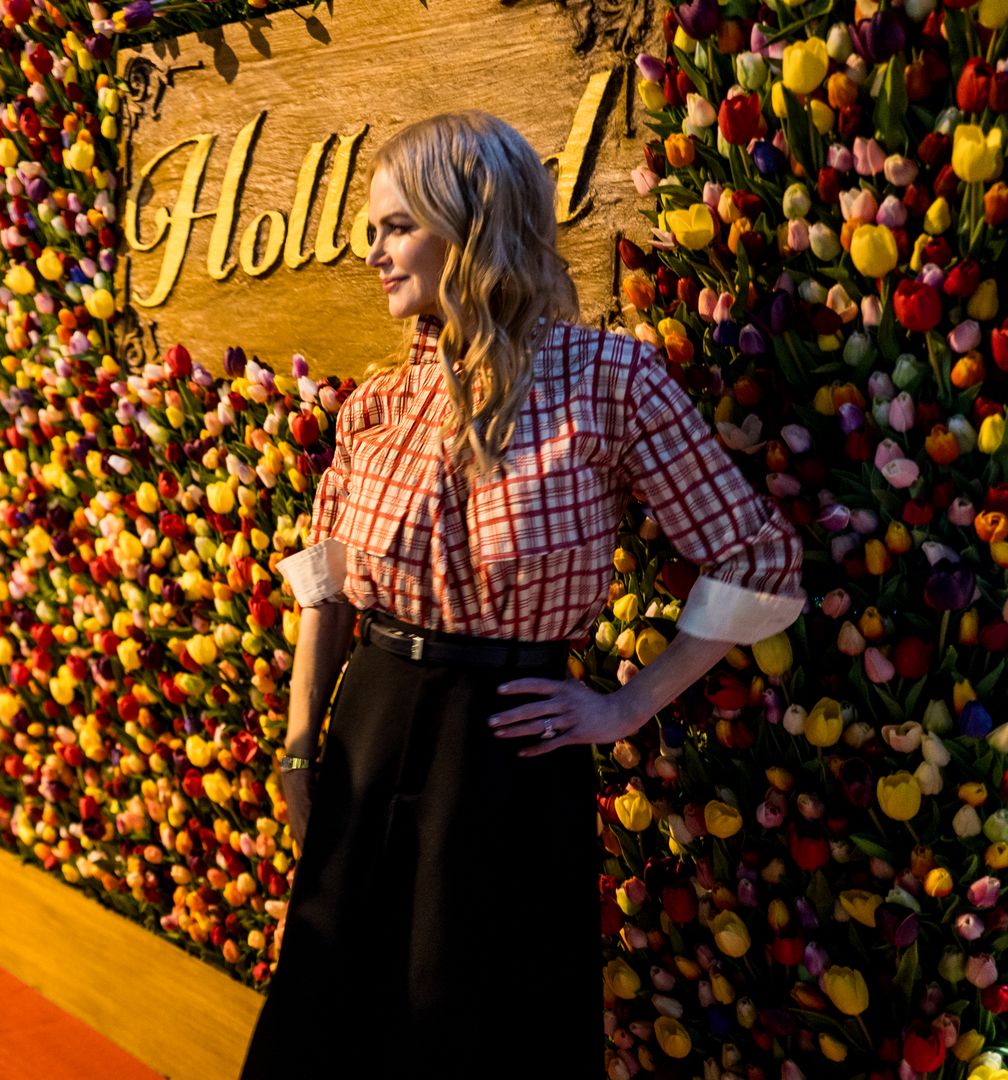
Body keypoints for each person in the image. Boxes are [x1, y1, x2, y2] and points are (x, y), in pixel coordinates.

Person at [240, 112, 805, 1076]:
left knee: (469, 1021)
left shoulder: (608, 378)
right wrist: (300, 748)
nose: (371, 252)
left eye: (393, 226)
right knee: (332, 1002)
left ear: (470, 220)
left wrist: (625, 705)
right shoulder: (378, 401)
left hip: (505, 748)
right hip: (368, 723)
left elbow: (755, 560)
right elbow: (327, 589)